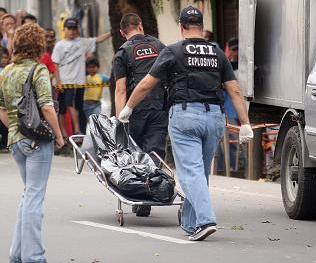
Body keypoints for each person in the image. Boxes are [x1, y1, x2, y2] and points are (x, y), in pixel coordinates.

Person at [118, 6, 254, 241]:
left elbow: (146, 84)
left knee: (190, 172)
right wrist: (245, 123)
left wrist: (127, 109)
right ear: (201, 27)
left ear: (181, 27)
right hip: (214, 117)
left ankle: (205, 220)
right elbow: (234, 89)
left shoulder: (174, 51)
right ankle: (191, 223)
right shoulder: (217, 53)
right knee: (200, 172)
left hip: (185, 117)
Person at [0, 23, 64, 263]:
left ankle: (17, 254)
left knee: (28, 196)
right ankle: (34, 257)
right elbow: (47, 106)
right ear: (38, 45)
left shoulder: (5, 72)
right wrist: (58, 135)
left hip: (16, 141)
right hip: (37, 141)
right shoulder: (37, 70)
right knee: (35, 198)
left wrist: (16, 130)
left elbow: (2, 109)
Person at [113, 13, 168, 217]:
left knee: (134, 153)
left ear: (121, 32)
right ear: (141, 25)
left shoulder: (122, 53)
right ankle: (154, 191)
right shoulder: (160, 46)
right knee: (154, 152)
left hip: (133, 110)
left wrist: (121, 119)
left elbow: (120, 90)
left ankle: (139, 196)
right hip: (158, 107)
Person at [52, 17, 111, 136]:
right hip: (64, 82)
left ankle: (78, 131)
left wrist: (112, 32)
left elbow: (98, 39)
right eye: (69, 28)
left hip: (78, 82)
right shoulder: (59, 45)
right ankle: (65, 134)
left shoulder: (82, 42)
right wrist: (58, 82)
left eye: (74, 28)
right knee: (63, 108)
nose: (72, 31)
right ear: (64, 29)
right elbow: (55, 64)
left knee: (75, 106)